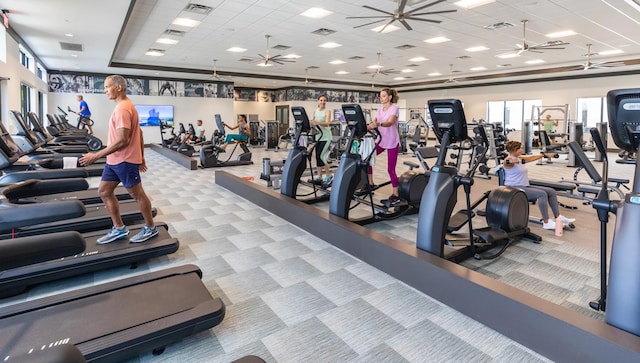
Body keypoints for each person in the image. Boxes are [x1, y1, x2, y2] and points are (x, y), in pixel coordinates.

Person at [79, 75, 158, 244]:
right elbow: (140, 134)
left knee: (137, 195)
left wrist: (96, 155)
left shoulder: (123, 108)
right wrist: (142, 157)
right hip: (114, 161)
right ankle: (119, 228)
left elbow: (123, 140)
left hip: (125, 161)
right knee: (104, 191)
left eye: (108, 87)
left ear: (119, 87)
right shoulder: (123, 107)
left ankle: (151, 228)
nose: (105, 90)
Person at [502, 140, 575, 231]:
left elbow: (531, 157)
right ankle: (546, 222)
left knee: (551, 191)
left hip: (525, 186)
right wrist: (512, 161)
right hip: (514, 188)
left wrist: (544, 155)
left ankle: (558, 217)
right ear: (514, 150)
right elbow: (507, 162)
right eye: (520, 148)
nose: (522, 149)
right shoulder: (508, 160)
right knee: (542, 194)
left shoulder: (520, 158)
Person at [365, 88, 401, 206]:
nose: (381, 98)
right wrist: (369, 125)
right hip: (381, 140)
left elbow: (390, 122)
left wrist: (379, 124)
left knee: (390, 169)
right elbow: (374, 121)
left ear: (390, 97)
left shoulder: (394, 108)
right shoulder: (380, 109)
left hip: (392, 141)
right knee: (367, 159)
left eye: (384, 96)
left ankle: (396, 195)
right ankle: (370, 184)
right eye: (380, 96)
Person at [310, 94, 333, 186]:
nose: (323, 102)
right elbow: (313, 121)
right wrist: (311, 122)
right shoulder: (315, 111)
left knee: (321, 156)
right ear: (318, 101)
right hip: (318, 136)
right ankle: (319, 177)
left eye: (324, 100)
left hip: (326, 137)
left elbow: (327, 123)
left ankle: (329, 175)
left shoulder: (327, 111)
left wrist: (317, 122)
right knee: (317, 157)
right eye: (321, 100)